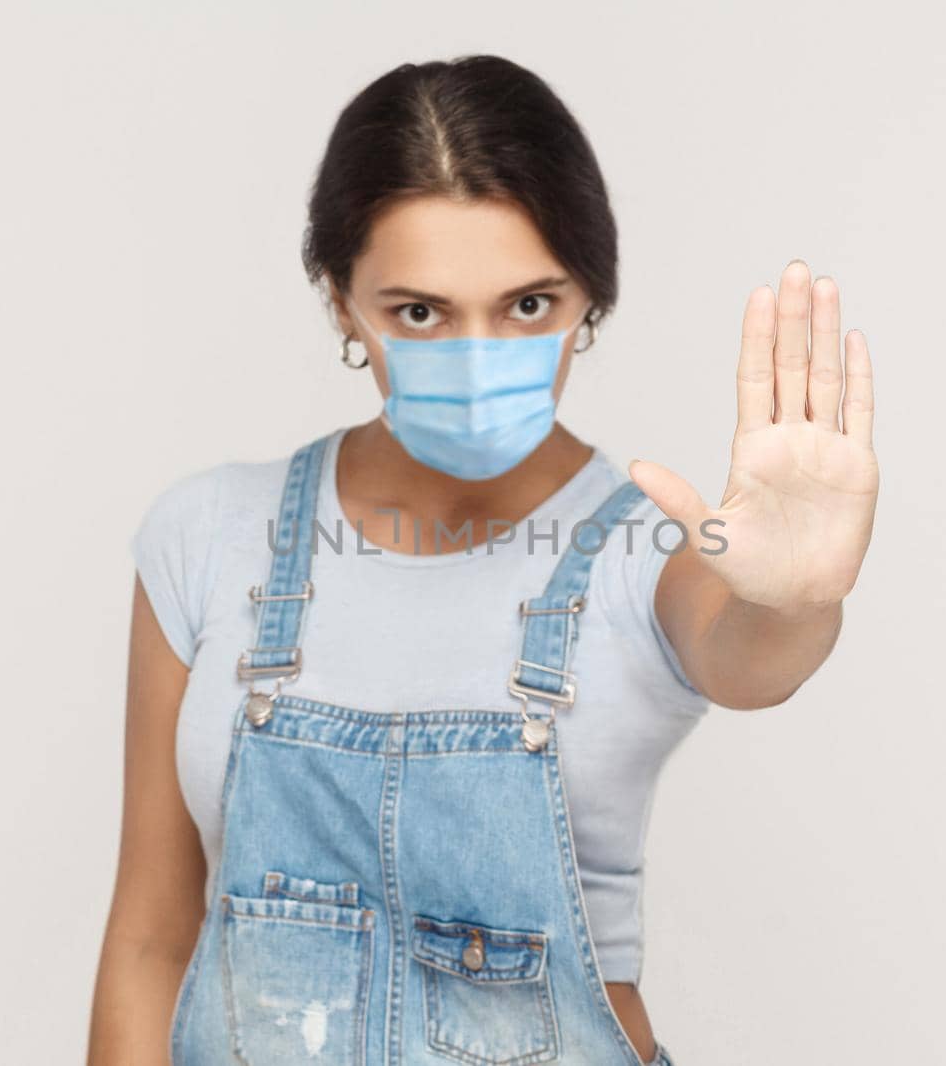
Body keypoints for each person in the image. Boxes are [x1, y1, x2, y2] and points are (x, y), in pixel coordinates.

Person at [88, 54, 879, 1066]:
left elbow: (747, 650)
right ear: (340, 301)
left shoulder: (643, 547)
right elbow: (152, 936)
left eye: (526, 306)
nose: (474, 359)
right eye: (419, 312)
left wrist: (798, 599)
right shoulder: (207, 534)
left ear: (588, 296)